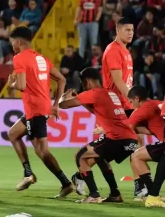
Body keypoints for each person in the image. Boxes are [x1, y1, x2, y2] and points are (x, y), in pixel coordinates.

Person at [71, 17, 140, 197]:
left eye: (132, 30)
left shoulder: (125, 51)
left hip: (124, 103)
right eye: (127, 30)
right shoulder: (113, 51)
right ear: (118, 30)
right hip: (119, 104)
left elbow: (126, 80)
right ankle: (141, 187)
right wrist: (134, 101)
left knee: (128, 144)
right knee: (135, 141)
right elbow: (117, 80)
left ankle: (84, 177)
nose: (131, 33)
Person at [7, 26, 73, 198]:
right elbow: (61, 79)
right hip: (40, 107)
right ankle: (28, 173)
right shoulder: (41, 58)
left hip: (35, 109)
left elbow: (20, 85)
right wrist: (56, 104)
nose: (12, 45)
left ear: (18, 42)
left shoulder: (19, 58)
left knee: (41, 151)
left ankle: (65, 183)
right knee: (13, 133)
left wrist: (11, 85)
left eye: (12, 42)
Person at [59, 67, 138, 203]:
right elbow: (99, 111)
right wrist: (83, 101)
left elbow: (63, 105)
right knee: (100, 158)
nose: (84, 87)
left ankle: (94, 195)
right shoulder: (112, 93)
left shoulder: (92, 93)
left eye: (83, 84)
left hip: (116, 139)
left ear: (87, 82)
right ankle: (115, 194)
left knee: (80, 156)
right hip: (130, 140)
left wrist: (63, 96)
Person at [125, 85, 165, 206]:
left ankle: (152, 195)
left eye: (131, 102)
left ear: (137, 99)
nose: (131, 105)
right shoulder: (155, 104)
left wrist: (104, 129)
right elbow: (153, 128)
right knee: (137, 156)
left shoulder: (142, 110)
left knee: (136, 156)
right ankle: (153, 195)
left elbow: (126, 129)